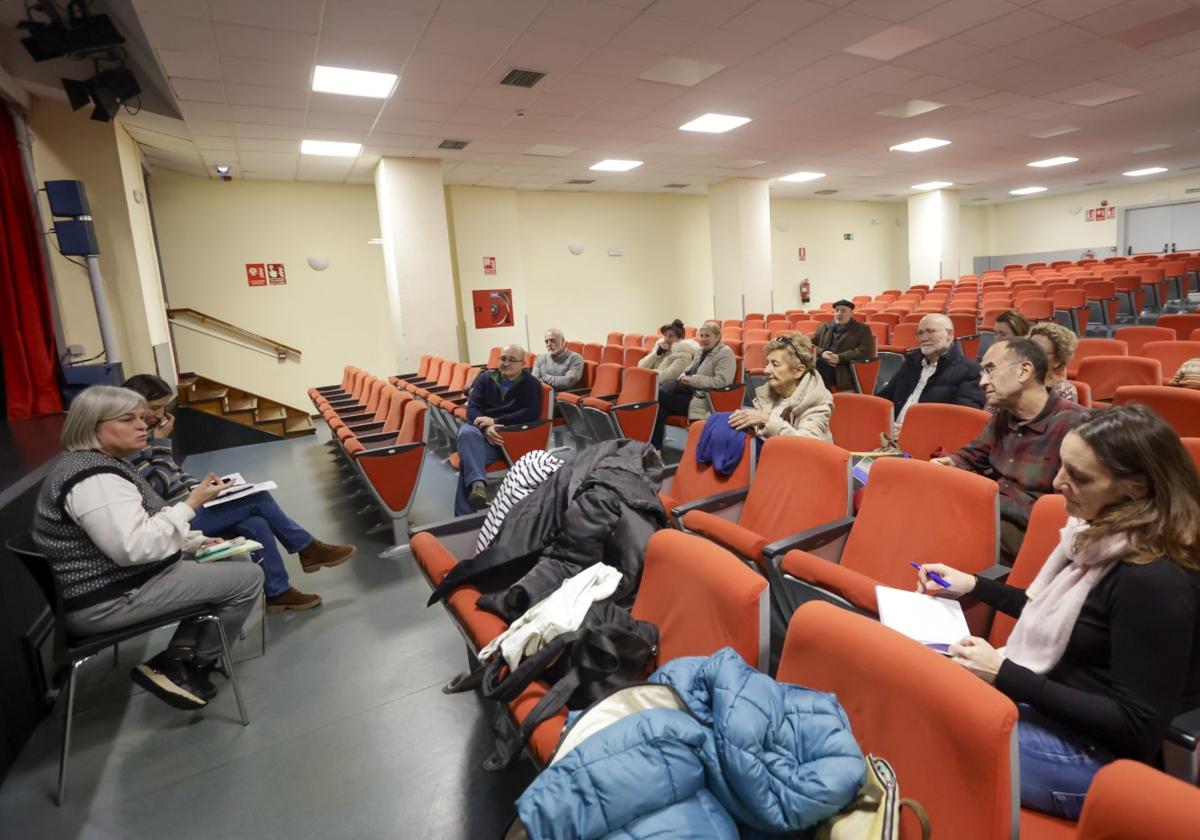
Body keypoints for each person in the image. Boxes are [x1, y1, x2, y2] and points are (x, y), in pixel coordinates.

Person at [917, 405, 1200, 820]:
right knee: (912, 698)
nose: (1056, 482)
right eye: (1060, 466)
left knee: (923, 733)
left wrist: (1004, 673)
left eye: (1079, 477)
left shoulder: (1154, 579)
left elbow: (1137, 727)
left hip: (1099, 757)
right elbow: (1054, 613)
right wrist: (973, 585)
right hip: (1051, 710)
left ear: (1136, 487)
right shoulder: (1097, 532)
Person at [32, 386, 264, 711]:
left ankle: (179, 658)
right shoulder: (93, 479)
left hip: (124, 583)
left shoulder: (100, 464)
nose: (143, 425)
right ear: (91, 425)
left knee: (228, 556)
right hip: (111, 599)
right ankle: (191, 665)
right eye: (128, 419)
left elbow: (143, 525)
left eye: (142, 418)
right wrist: (192, 504)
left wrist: (195, 542)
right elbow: (134, 548)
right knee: (248, 577)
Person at [121, 375, 355, 615]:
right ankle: (307, 548)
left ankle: (278, 593)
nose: (161, 415)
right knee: (257, 499)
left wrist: (204, 486)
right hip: (172, 521)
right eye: (155, 408)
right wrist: (162, 443)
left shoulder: (148, 434)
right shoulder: (130, 443)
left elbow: (173, 476)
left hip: (185, 506)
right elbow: (159, 486)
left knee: (256, 522)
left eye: (164, 407)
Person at [932, 338, 1087, 562]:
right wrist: (952, 462)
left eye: (990, 370)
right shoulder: (1003, 416)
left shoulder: (1077, 426)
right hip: (988, 513)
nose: (982, 382)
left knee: (935, 533)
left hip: (1030, 533)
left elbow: (1067, 511)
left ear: (1024, 371)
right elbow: (972, 454)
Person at [456, 344, 543, 514]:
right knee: (466, 431)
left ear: (522, 364)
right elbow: (472, 408)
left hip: (509, 439)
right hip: (482, 436)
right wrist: (485, 428)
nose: (506, 363)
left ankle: (464, 513)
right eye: (503, 358)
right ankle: (479, 486)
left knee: (467, 461)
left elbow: (530, 413)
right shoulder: (485, 379)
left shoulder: (531, 383)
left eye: (512, 360)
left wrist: (495, 421)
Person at [878, 313, 985, 435]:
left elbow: (964, 420)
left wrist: (913, 430)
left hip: (929, 442)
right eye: (920, 333)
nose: (924, 338)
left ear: (949, 334)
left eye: (930, 331)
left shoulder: (970, 370)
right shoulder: (911, 363)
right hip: (891, 436)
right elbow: (885, 397)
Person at [649, 321, 736, 450]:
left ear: (718, 337)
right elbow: (690, 369)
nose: (703, 339)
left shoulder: (725, 353)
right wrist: (684, 375)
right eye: (701, 336)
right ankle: (656, 451)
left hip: (703, 398)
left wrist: (693, 380)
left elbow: (722, 382)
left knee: (657, 396)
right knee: (659, 404)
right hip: (689, 390)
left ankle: (655, 450)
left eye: (707, 336)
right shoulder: (701, 351)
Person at [730, 333, 832, 440]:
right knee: (723, 422)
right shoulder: (766, 393)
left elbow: (807, 445)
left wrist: (767, 420)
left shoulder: (817, 403)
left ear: (798, 371)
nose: (766, 370)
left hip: (798, 456)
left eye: (775, 364)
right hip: (767, 454)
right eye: (767, 364)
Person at [812, 299, 875, 391]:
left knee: (819, 365)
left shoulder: (862, 329)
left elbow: (864, 351)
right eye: (837, 311)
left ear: (851, 314)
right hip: (823, 363)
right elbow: (810, 344)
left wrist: (840, 358)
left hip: (845, 368)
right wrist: (822, 353)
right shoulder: (824, 327)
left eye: (843, 311)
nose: (839, 313)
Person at [1029, 322, 1080, 404]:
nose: (1030, 353)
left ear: (1057, 360)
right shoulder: (1013, 379)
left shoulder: (1064, 391)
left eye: (1039, 351)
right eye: (1028, 347)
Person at [638, 319, 696, 383]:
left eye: (671, 336)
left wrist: (643, 374)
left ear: (680, 339)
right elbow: (641, 366)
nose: (666, 339)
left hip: (665, 390)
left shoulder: (684, 354)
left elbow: (667, 376)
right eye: (665, 335)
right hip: (652, 384)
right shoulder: (662, 349)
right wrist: (657, 353)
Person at [532, 328, 583, 392]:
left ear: (563, 341)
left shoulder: (575, 358)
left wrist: (544, 377)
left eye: (552, 340)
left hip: (562, 397)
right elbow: (533, 381)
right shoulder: (540, 358)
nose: (549, 344)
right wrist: (558, 379)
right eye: (546, 341)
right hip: (542, 394)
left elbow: (567, 382)